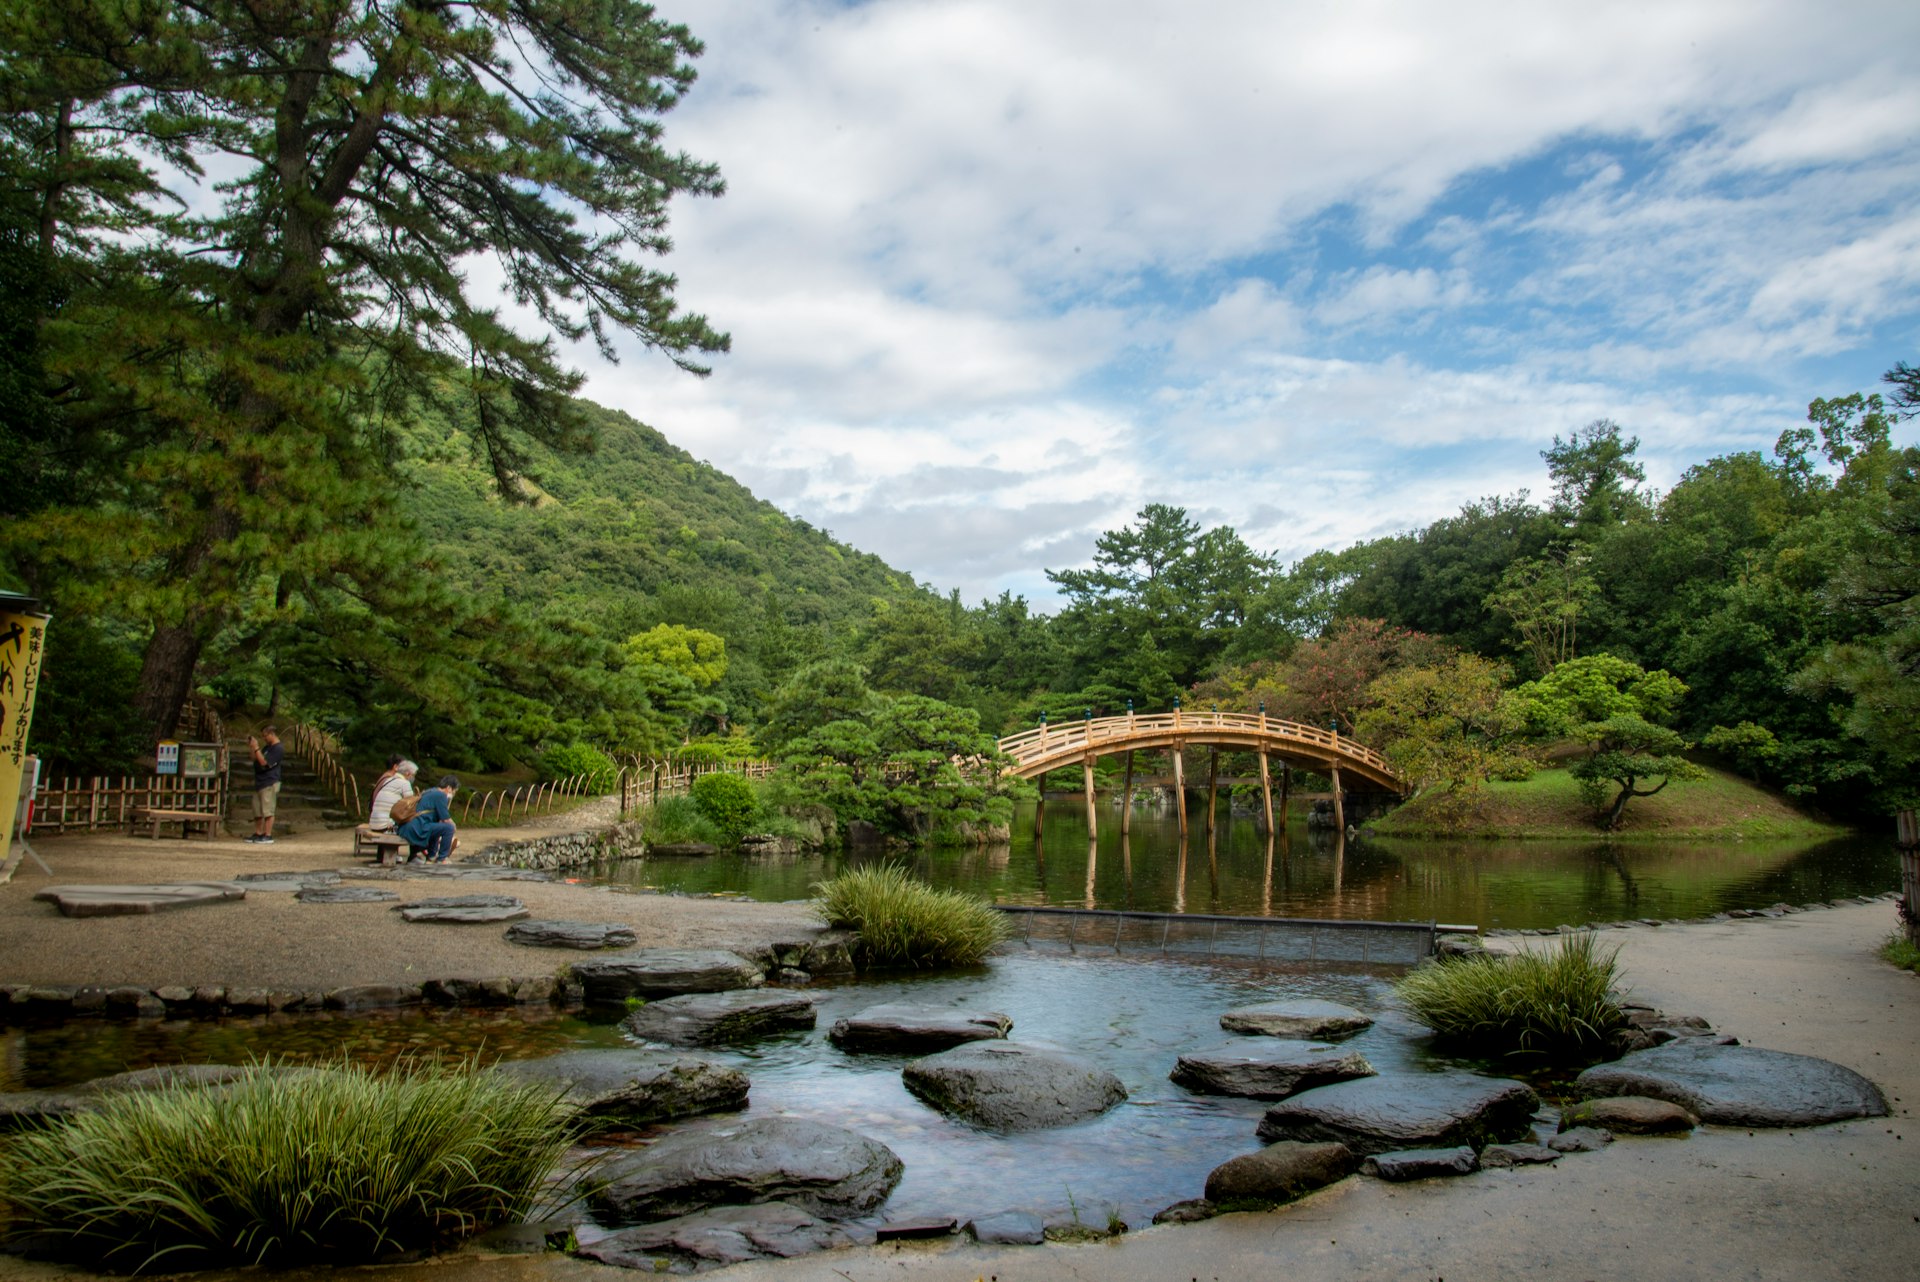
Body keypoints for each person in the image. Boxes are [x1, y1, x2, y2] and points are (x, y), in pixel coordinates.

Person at [396, 774, 459, 863]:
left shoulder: (429, 791)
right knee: (449, 828)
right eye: (454, 791)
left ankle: (429, 856)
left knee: (436, 827)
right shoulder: (440, 795)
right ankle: (442, 858)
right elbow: (445, 818)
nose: (453, 794)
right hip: (417, 828)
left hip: (408, 826)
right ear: (449, 788)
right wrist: (454, 825)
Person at [246, 726, 284, 845]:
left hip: (270, 781)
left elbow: (264, 762)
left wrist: (257, 747)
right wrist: (253, 747)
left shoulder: (278, 748)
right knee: (257, 809)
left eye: (265, 735)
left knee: (268, 809)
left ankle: (268, 834)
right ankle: (258, 832)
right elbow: (255, 758)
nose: (264, 738)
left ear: (272, 734)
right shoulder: (267, 747)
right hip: (260, 781)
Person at [368, 759, 418, 831]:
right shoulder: (404, 783)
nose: (413, 777)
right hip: (386, 826)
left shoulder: (388, 780)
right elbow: (411, 805)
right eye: (413, 775)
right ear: (408, 773)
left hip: (374, 824)